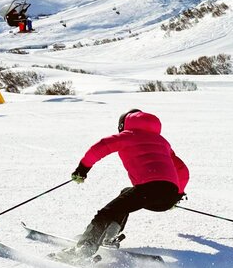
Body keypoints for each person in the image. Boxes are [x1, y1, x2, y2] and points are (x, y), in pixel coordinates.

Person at [58, 108, 189, 260]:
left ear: (123, 124)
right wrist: (177, 194)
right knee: (125, 194)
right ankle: (109, 236)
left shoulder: (128, 136)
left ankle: (84, 249)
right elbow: (182, 169)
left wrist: (82, 169)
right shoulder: (163, 142)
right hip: (169, 194)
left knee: (105, 213)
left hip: (148, 190)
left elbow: (100, 147)